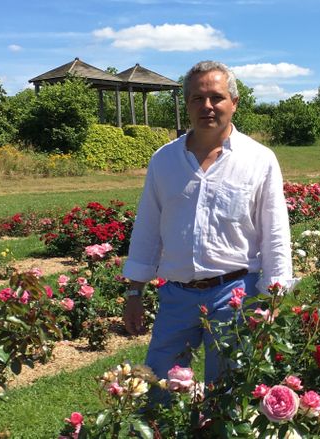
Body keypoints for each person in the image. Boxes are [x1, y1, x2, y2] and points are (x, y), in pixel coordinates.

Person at [122, 60, 294, 386]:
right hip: (176, 295)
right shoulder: (164, 160)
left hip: (235, 294)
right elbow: (147, 226)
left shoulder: (259, 159)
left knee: (227, 393)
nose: (207, 106)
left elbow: (275, 231)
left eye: (216, 97)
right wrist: (134, 291)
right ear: (186, 104)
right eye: (197, 99)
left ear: (234, 103)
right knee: (158, 386)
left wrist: (274, 296)